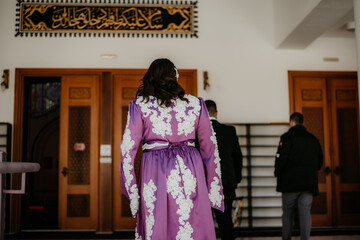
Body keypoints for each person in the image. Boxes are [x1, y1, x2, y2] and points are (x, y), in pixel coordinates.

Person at [119, 58, 224, 240]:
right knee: (192, 221)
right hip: (191, 167)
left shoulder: (140, 105)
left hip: (155, 169)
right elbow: (209, 148)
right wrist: (213, 187)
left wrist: (132, 192)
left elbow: (128, 152)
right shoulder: (196, 104)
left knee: (158, 222)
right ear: (175, 76)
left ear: (150, 77)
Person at [274, 112, 323, 240]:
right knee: (305, 214)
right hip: (308, 183)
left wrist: (277, 174)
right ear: (303, 123)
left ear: (291, 122)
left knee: (288, 214)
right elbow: (320, 162)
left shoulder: (286, 137)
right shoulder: (313, 139)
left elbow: (281, 160)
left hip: (289, 183)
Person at [205, 100, 243, 240]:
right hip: (226, 182)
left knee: (204, 223)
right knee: (226, 222)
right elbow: (237, 158)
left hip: (204, 183)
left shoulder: (197, 132)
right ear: (216, 112)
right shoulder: (229, 131)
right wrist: (237, 178)